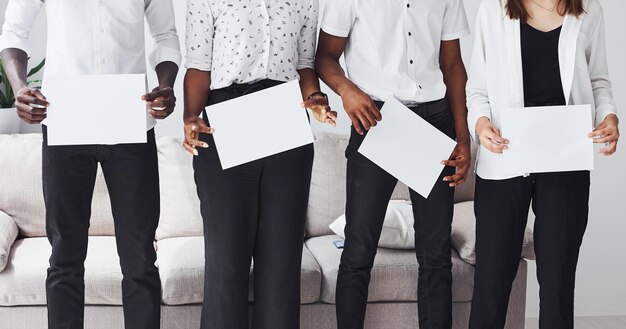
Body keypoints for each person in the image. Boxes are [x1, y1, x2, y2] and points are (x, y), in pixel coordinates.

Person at [0, 1, 181, 328]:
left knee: (140, 258)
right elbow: (14, 31)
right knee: (64, 258)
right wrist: (19, 87)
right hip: (66, 122)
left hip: (131, 124)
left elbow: (165, 35)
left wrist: (166, 84)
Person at [315, 1, 472, 328]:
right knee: (358, 252)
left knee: (436, 256)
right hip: (375, 119)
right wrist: (347, 91)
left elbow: (453, 64)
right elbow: (325, 56)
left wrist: (463, 134)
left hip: (435, 121)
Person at [182, 1, 336, 328]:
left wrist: (316, 99)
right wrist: (190, 117)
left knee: (281, 264)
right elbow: (198, 66)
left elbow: (306, 65)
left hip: (285, 121)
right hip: (224, 124)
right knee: (226, 265)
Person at [466, 0, 620, 328]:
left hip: (566, 158)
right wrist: (480, 124)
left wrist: (609, 116)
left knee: (558, 284)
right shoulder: (493, 8)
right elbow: (477, 86)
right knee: (491, 283)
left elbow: (599, 81)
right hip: (505, 157)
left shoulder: (589, 9)